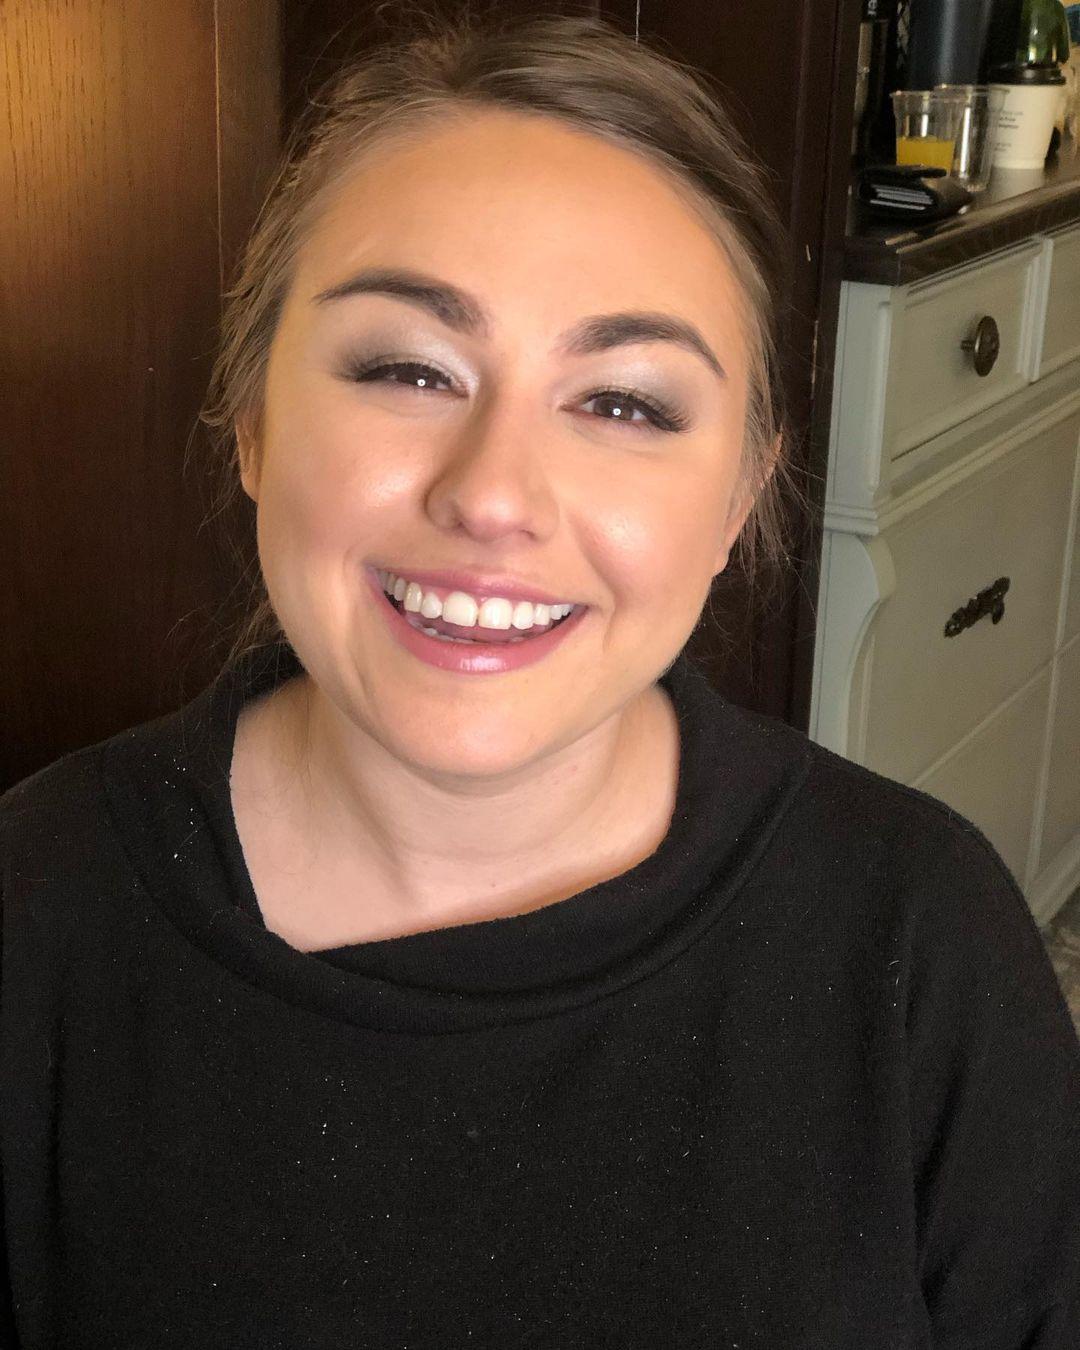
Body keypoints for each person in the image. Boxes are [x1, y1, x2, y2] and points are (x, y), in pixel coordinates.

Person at [2, 12, 1078, 1348]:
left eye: (624, 403)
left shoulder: (921, 941)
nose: (495, 494)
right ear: (255, 421)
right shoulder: (34, 917)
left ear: (741, 495)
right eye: (409, 369)